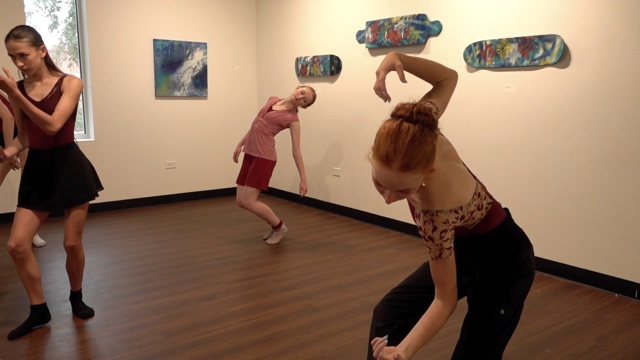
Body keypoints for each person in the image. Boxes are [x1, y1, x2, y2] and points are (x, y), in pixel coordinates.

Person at [367, 52, 535, 360]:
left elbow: (443, 300)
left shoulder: (435, 214)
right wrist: (395, 57)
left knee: (475, 352)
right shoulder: (419, 130)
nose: (389, 198)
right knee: (389, 315)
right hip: (464, 246)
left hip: (504, 260)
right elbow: (448, 78)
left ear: (429, 170)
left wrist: (404, 351)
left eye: (402, 189)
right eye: (380, 183)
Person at [0, 25, 103, 341]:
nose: (19, 63)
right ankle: (39, 310)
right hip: (39, 171)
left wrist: (14, 93)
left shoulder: (71, 83)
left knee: (71, 243)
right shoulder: (17, 89)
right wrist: (9, 152)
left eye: (24, 55)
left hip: (69, 166)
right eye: (12, 57)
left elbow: (54, 123)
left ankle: (76, 296)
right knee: (17, 245)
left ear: (41, 51)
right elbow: (27, 135)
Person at [233, 85, 316, 245]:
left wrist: (303, 178)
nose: (301, 97)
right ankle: (274, 225)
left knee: (249, 201)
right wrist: (240, 144)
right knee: (240, 201)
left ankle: (279, 227)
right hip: (250, 153)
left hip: (264, 158)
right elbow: (255, 125)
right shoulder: (273, 99)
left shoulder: (293, 120)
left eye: (305, 100)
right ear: (298, 88)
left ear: (304, 106)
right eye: (302, 92)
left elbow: (296, 151)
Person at [1, 92, 46, 247]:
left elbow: (11, 117)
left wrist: (10, 150)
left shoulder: (2, 92)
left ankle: (32, 231)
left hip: (17, 141)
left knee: (29, 184)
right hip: (10, 143)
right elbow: (8, 117)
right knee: (29, 184)